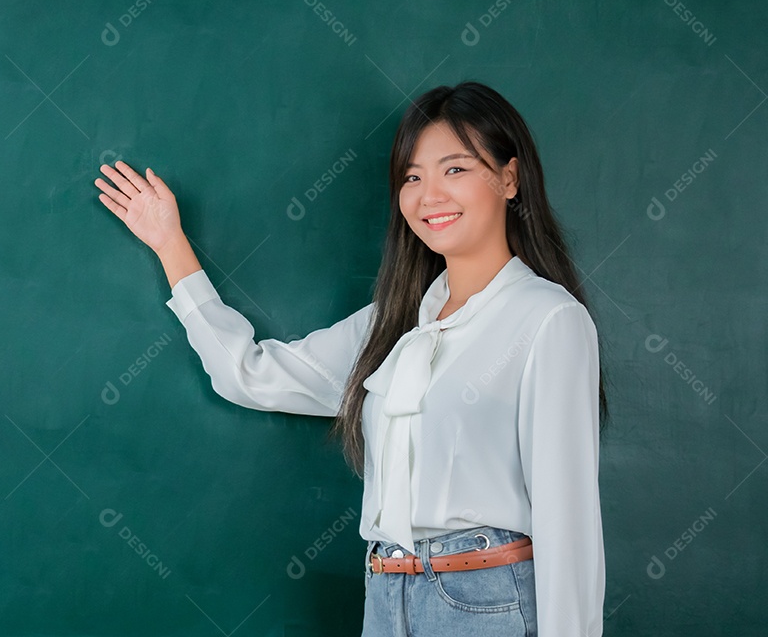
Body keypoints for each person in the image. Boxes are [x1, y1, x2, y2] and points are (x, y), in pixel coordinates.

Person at [93, 81, 609, 636]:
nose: (428, 195)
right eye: (412, 177)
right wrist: (171, 245)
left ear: (508, 178)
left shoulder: (547, 319)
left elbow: (568, 522)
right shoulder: (392, 322)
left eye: (455, 170)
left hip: (487, 601)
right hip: (386, 596)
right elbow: (251, 375)